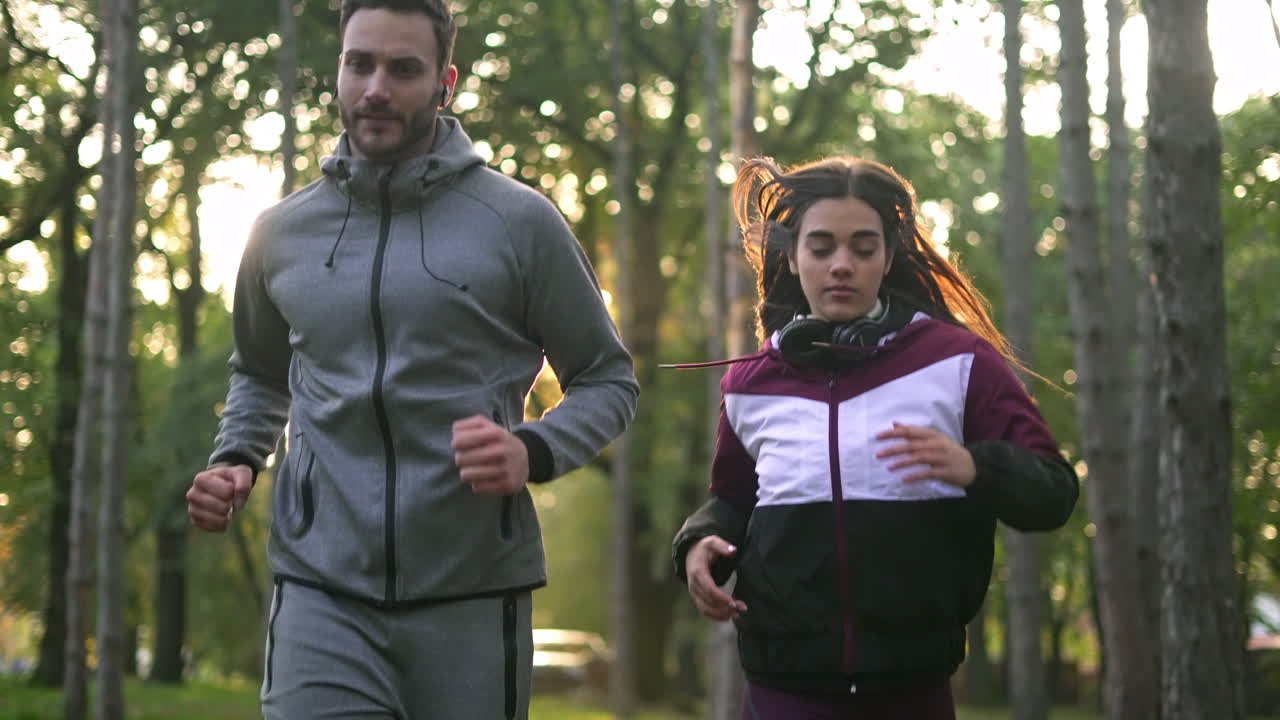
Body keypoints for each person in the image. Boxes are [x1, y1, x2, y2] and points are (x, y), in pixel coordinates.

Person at [185, 1, 638, 718]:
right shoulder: (279, 233)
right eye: (359, 63)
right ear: (337, 69)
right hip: (319, 587)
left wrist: (535, 450)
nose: (375, 88)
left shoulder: (519, 223)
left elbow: (608, 378)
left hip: (472, 591)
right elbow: (262, 373)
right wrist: (237, 456)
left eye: (403, 69)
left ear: (445, 82)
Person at [671, 156, 1078, 719]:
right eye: (822, 247)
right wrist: (698, 542)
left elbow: (1054, 491)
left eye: (863, 248)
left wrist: (975, 467)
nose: (843, 265)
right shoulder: (751, 382)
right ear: (791, 255)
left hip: (912, 687)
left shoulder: (957, 362)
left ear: (888, 257)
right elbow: (733, 501)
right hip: (780, 688)